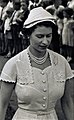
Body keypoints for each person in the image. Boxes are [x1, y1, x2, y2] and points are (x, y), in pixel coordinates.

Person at [0, 7, 74, 120]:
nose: (45, 41)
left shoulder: (62, 63)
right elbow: (2, 104)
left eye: (48, 36)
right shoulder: (14, 64)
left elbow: (68, 102)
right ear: (28, 34)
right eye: (39, 36)